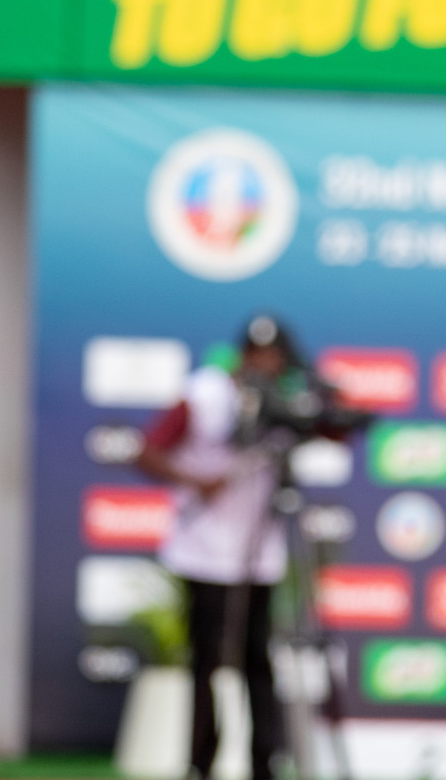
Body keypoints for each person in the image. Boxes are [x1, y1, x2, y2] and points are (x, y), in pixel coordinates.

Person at [135, 315, 305, 780]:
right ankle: (201, 764)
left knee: (257, 658)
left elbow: (331, 427)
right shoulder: (205, 393)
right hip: (204, 550)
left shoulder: (285, 399)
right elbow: (145, 449)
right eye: (257, 355)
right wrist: (196, 481)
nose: (265, 365)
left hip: (259, 553)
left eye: (274, 358)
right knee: (207, 660)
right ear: (243, 355)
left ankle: (265, 763)